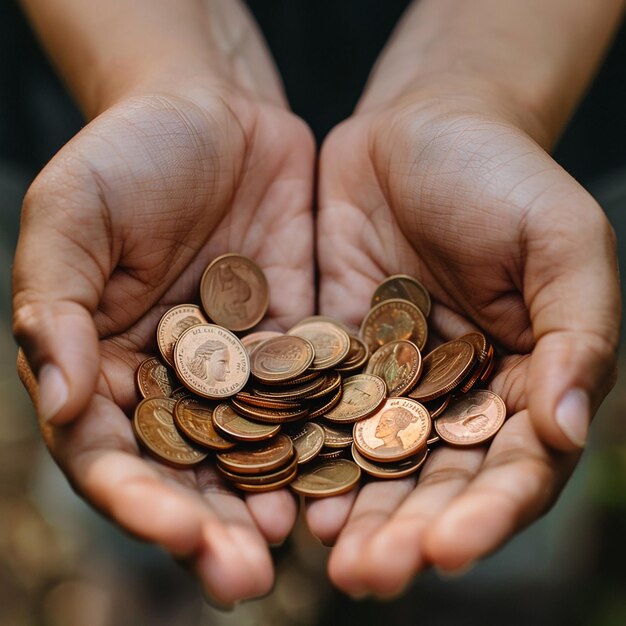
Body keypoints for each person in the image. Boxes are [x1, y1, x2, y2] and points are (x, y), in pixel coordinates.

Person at [12, 0, 622, 608]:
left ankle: (478, 592)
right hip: (104, 100)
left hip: (545, 100)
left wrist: (487, 84)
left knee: (490, 540)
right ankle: (149, 577)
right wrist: (158, 67)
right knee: (128, 468)